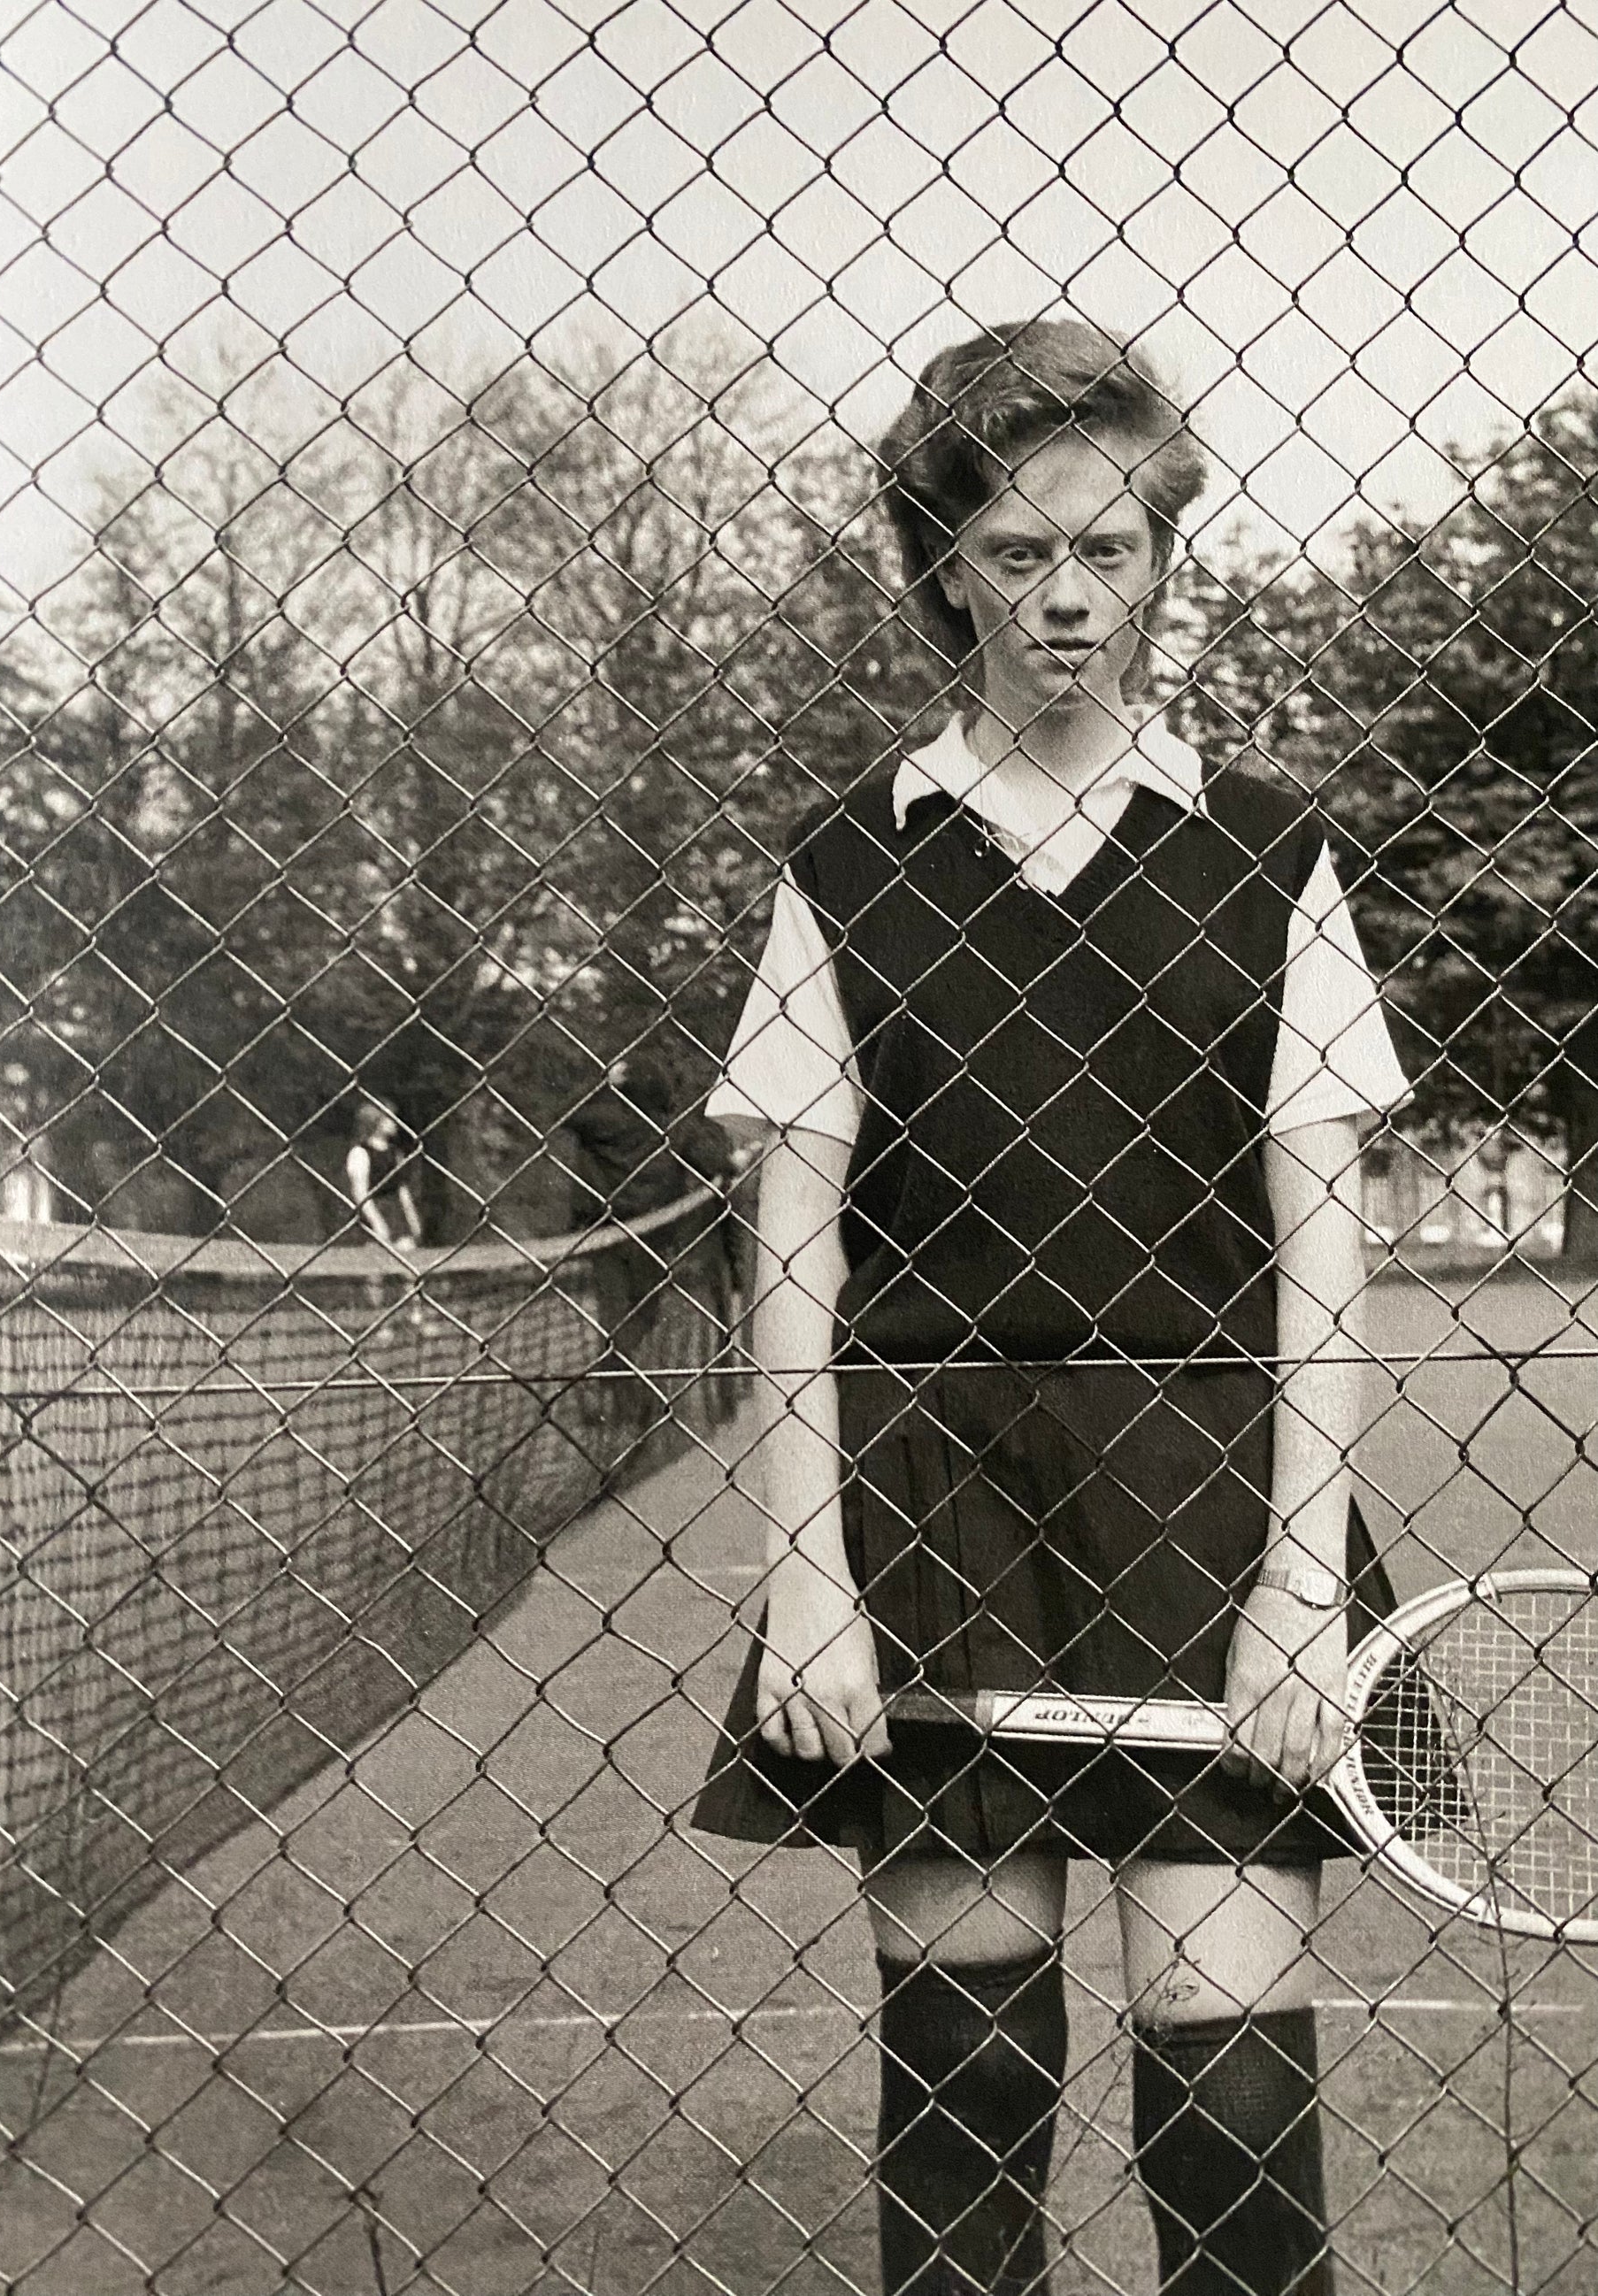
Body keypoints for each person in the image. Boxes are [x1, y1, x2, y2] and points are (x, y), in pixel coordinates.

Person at [693, 318, 1410, 2295]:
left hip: (1207, 1488)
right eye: (1016, 553)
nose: (1067, 598)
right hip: (935, 1497)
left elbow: (1323, 1243)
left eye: (1108, 548)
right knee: (970, 2074)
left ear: (1163, 557)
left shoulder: (1268, 848)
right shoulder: (845, 862)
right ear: (944, 569)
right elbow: (794, 1248)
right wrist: (812, 1578)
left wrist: (1298, 1581)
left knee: (1232, 2100)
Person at [343, 1095, 424, 1249]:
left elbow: (402, 1189)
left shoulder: (395, 1153)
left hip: (395, 1212)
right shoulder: (360, 1152)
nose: (395, 1123)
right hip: (373, 1210)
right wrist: (377, 1223)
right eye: (389, 1119)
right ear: (375, 1121)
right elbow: (360, 1193)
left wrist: (412, 1219)